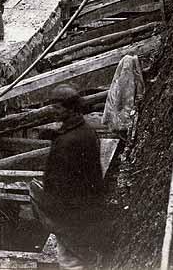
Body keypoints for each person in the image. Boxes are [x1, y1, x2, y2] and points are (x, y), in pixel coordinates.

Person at [29, 84, 105, 269]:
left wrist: (52, 208)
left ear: (70, 109)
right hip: (84, 206)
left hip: (71, 211)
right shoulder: (85, 130)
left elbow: (61, 181)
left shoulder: (68, 141)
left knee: (70, 259)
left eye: (57, 108)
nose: (53, 112)